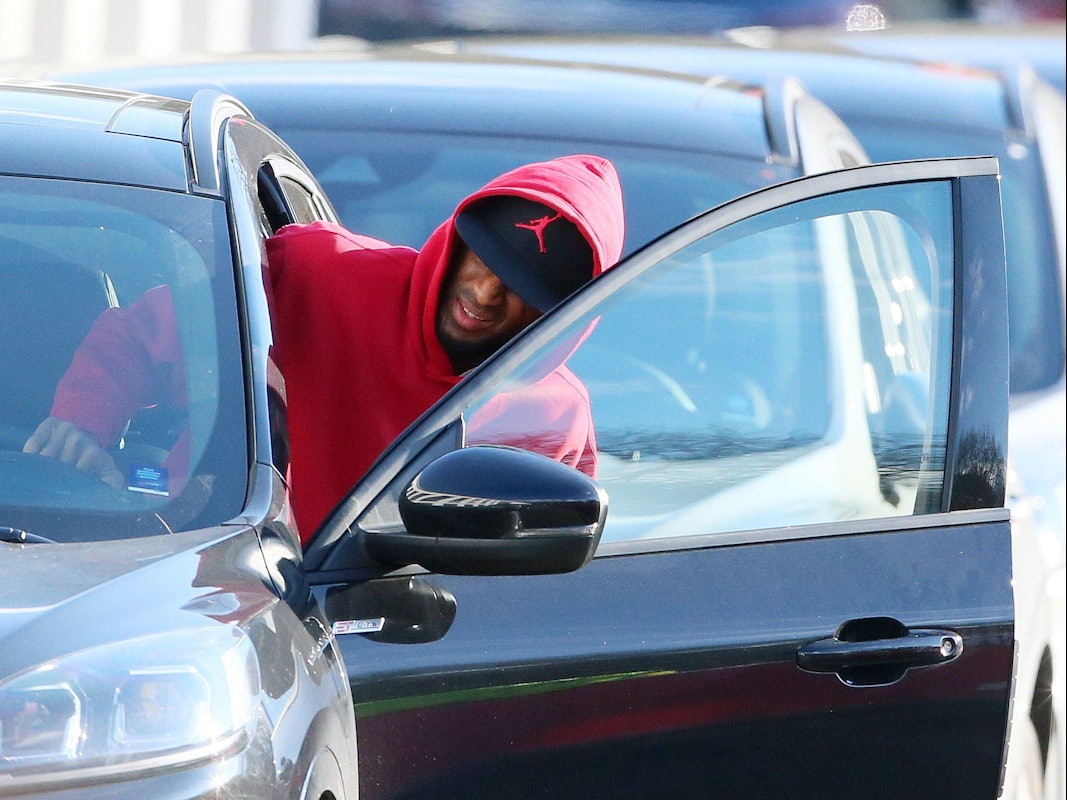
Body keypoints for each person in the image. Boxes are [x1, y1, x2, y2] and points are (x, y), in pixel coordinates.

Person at [25, 154, 626, 542]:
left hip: (396, 650)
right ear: (455, 239)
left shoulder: (558, 414)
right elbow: (136, 334)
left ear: (565, 317)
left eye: (521, 287)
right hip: (206, 572)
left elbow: (545, 568)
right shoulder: (320, 270)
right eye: (482, 256)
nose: (485, 291)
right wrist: (82, 424)